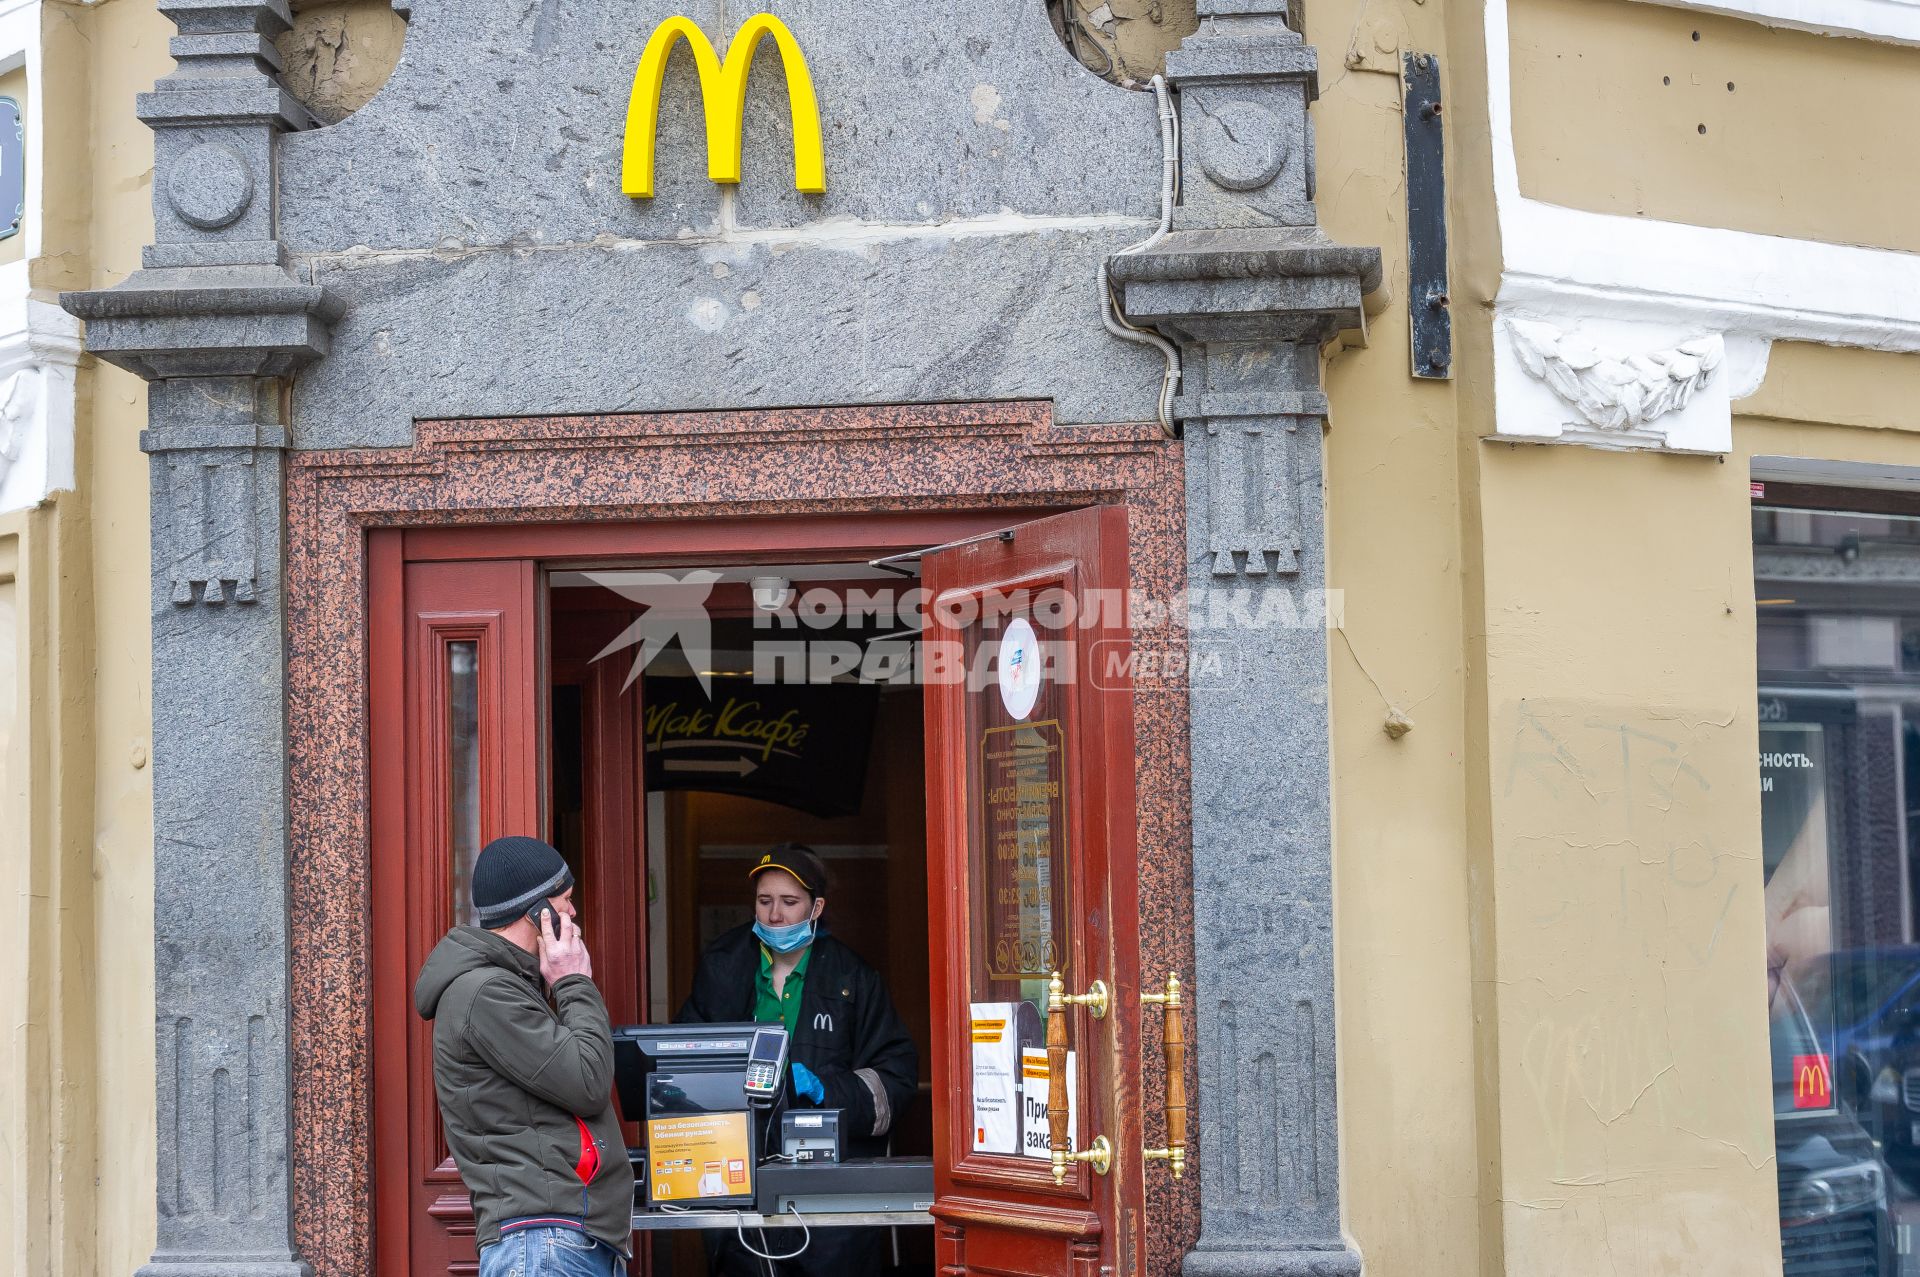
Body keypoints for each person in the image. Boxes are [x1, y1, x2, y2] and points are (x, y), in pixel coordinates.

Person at [678, 842, 918, 1277]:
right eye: (764, 901)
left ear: (816, 907)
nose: (774, 915)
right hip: (739, 1184)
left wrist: (827, 1088)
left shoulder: (853, 977)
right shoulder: (723, 965)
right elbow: (680, 1065)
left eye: (789, 903)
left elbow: (896, 1079)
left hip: (832, 1202)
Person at [414, 835, 635, 1277]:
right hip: (544, 1244)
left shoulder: (506, 985)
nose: (573, 913)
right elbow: (589, 1082)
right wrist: (573, 982)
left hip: (556, 1238)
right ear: (539, 912)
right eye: (566, 900)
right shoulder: (486, 993)